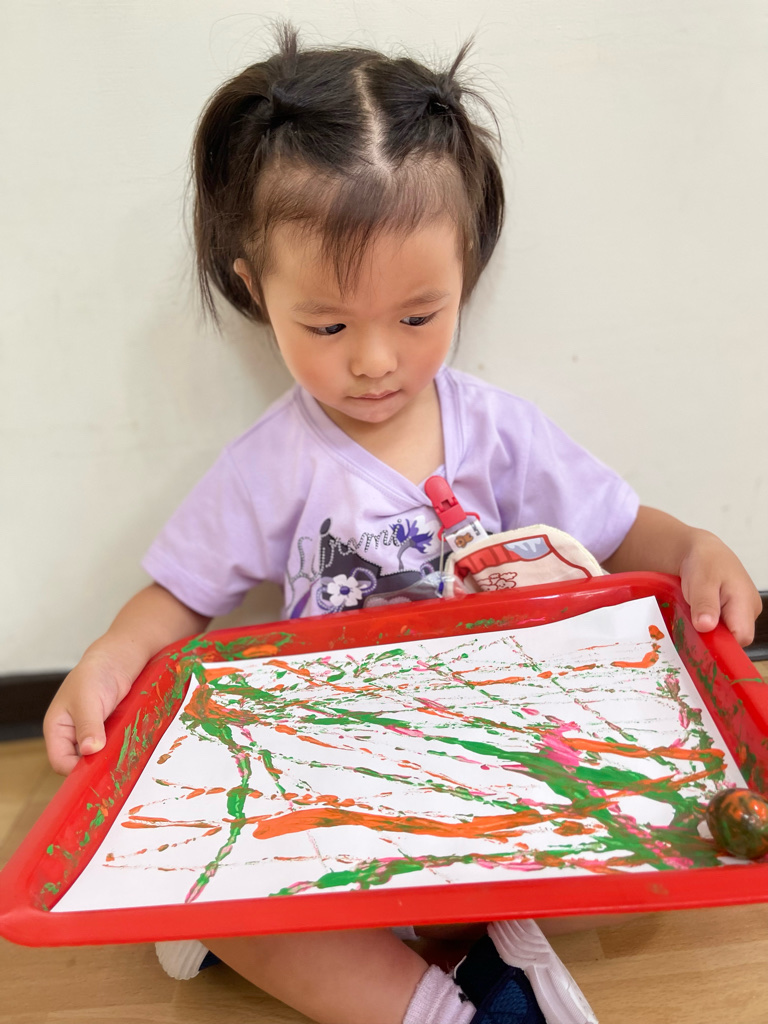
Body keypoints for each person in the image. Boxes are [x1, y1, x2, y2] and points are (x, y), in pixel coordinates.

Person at [43, 24, 761, 1024]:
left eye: (418, 317)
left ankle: (479, 937)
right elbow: (177, 600)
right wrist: (109, 659)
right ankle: (452, 1004)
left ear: (467, 270)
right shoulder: (269, 464)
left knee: (640, 815)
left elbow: (620, 527)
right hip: (335, 770)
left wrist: (694, 550)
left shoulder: (497, 431)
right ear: (256, 289)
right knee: (217, 907)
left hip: (497, 756)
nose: (375, 360)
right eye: (329, 325)